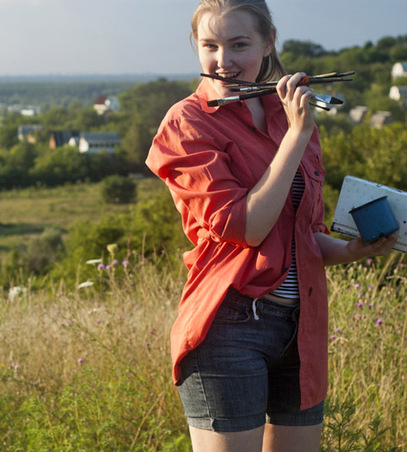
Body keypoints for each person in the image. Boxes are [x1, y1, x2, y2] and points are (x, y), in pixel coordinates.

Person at [145, 1, 398, 451]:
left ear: (267, 43)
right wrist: (297, 137)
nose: (223, 60)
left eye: (238, 44)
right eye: (210, 46)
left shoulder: (288, 116)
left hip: (301, 326)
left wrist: (354, 250)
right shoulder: (187, 123)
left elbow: (305, 236)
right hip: (229, 323)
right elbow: (247, 228)